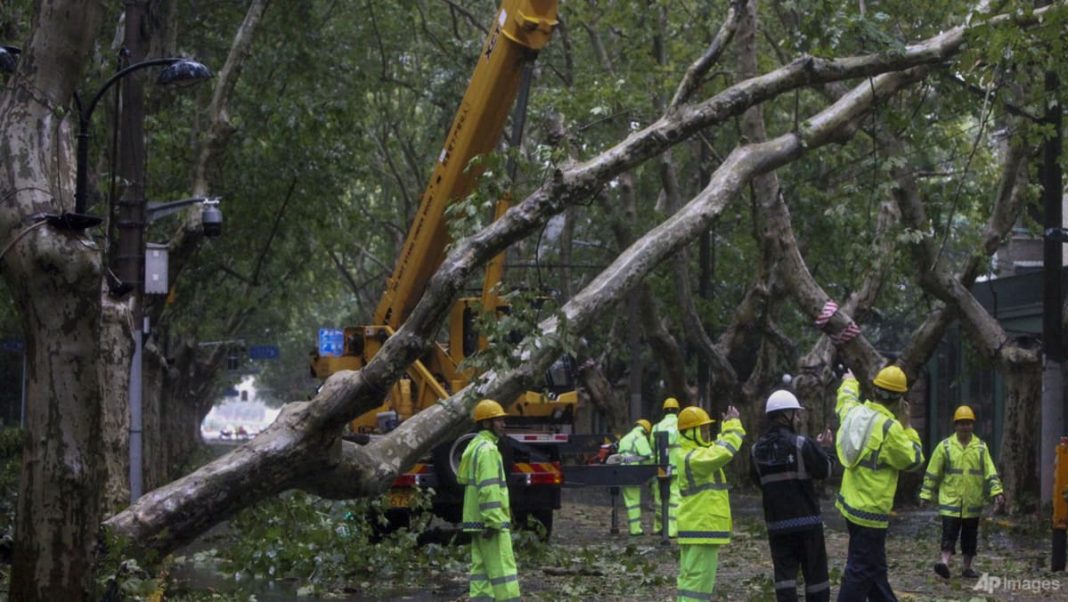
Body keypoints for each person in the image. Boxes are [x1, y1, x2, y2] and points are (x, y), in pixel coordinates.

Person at [834, 366, 924, 602]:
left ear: (874, 390)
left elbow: (845, 400)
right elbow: (914, 459)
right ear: (899, 399)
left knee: (874, 568)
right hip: (871, 511)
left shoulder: (854, 413)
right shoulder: (890, 428)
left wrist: (850, 381)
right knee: (861, 570)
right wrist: (908, 426)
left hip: (850, 506)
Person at [749, 390, 833, 602]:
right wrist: (825, 450)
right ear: (786, 414)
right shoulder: (801, 444)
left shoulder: (755, 450)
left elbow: (758, 481)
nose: (797, 418)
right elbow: (825, 471)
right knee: (816, 579)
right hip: (807, 524)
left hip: (777, 525)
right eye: (795, 414)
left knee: (784, 579)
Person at [920, 405, 1005, 579]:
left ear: (972, 425)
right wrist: (925, 494)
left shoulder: (981, 448)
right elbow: (932, 472)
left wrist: (997, 492)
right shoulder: (945, 447)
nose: (965, 427)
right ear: (955, 425)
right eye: (962, 424)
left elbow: (990, 471)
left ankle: (967, 567)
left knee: (970, 536)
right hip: (950, 501)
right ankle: (944, 562)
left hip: (972, 502)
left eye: (968, 423)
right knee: (949, 533)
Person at [674, 404, 746, 601]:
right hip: (701, 528)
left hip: (697, 527)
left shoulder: (691, 453)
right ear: (690, 432)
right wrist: (733, 427)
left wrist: (726, 428)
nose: (707, 433)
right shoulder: (693, 457)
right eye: (703, 429)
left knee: (689, 580)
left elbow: (715, 449)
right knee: (699, 583)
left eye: (707, 429)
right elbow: (723, 452)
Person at [458, 399, 520, 602]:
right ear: (486, 423)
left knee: (482, 573)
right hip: (490, 522)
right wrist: (494, 521)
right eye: (498, 420)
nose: (503, 424)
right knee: (503, 570)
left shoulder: (476, 446)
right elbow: (488, 489)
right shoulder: (488, 450)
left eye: (502, 420)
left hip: (477, 521)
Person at [651, 397, 682, 538]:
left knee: (659, 496)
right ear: (677, 410)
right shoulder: (681, 425)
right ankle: (672, 529)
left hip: (661, 466)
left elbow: (652, 447)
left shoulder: (657, 427)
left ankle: (658, 527)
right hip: (677, 465)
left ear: (664, 411)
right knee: (674, 496)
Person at [618, 418, 654, 536]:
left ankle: (634, 528)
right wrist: (650, 474)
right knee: (634, 502)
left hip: (622, 471)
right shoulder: (640, 438)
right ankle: (636, 530)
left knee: (629, 502)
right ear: (645, 431)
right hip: (633, 472)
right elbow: (648, 456)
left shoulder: (625, 438)